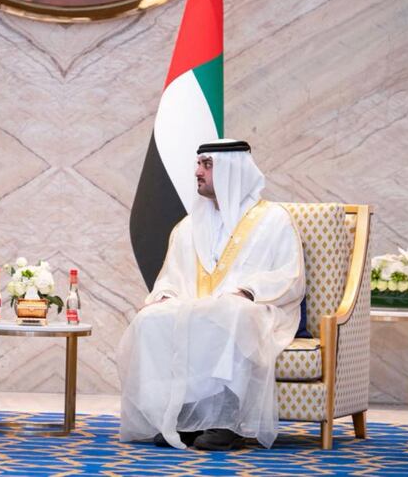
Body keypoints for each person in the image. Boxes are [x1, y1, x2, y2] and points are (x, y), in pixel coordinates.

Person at [118, 138, 305, 450]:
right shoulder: (188, 226)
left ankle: (224, 421)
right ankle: (182, 419)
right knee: (151, 318)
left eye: (207, 165)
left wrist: (249, 290)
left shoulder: (273, 220)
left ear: (233, 171)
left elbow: (290, 275)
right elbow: (170, 277)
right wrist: (164, 294)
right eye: (198, 164)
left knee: (230, 313)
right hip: (197, 306)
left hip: (255, 308)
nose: (198, 172)